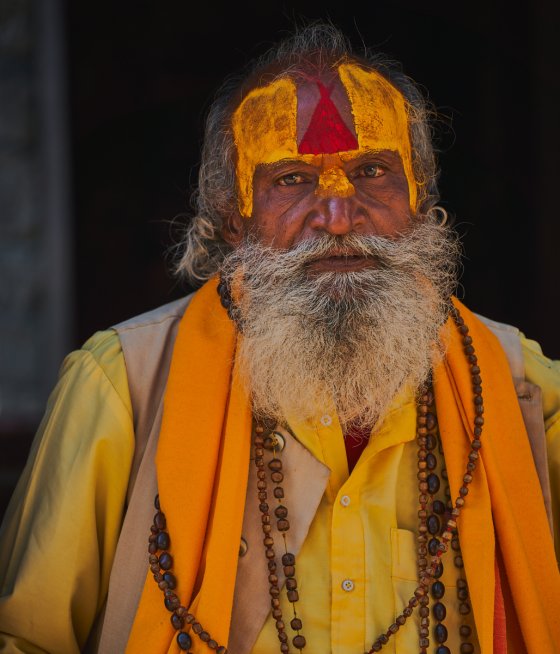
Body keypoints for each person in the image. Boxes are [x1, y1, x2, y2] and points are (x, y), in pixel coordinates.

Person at [1, 24, 559, 654]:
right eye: (292, 180)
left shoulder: (522, 391)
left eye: (373, 171)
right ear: (233, 213)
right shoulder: (122, 386)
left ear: (419, 197)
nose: (339, 216)